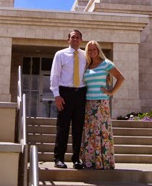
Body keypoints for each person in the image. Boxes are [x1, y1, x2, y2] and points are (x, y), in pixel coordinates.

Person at [80, 40, 125, 170]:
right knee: (90, 132)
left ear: (98, 50)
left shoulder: (106, 64)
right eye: (89, 50)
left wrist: (111, 92)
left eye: (94, 49)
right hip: (88, 103)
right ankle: (90, 161)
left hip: (101, 103)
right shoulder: (86, 66)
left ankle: (103, 161)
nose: (92, 52)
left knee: (101, 131)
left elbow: (121, 78)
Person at [50, 29, 87, 169]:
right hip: (65, 94)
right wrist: (56, 95)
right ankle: (59, 158)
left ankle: (76, 159)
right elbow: (55, 75)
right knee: (63, 128)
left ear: (81, 40)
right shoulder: (60, 54)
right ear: (68, 40)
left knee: (78, 129)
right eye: (72, 37)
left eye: (77, 37)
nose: (75, 39)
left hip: (81, 94)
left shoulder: (85, 55)